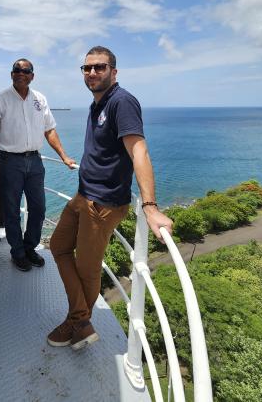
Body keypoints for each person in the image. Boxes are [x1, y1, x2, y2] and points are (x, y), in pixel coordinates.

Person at [48, 46, 173, 350]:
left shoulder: (122, 102)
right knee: (58, 246)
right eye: (87, 68)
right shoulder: (97, 104)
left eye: (100, 67)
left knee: (88, 269)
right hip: (84, 195)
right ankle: (81, 318)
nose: (92, 73)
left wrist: (150, 206)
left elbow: (138, 150)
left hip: (103, 205)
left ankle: (77, 321)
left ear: (113, 72)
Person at [0, 59, 75, 271]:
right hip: (9, 162)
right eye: (16, 70)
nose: (20, 73)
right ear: (11, 74)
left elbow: (49, 130)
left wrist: (64, 156)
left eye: (26, 71)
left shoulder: (39, 99)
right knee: (12, 209)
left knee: (38, 208)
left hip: (34, 161)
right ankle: (18, 252)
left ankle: (30, 247)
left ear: (32, 76)